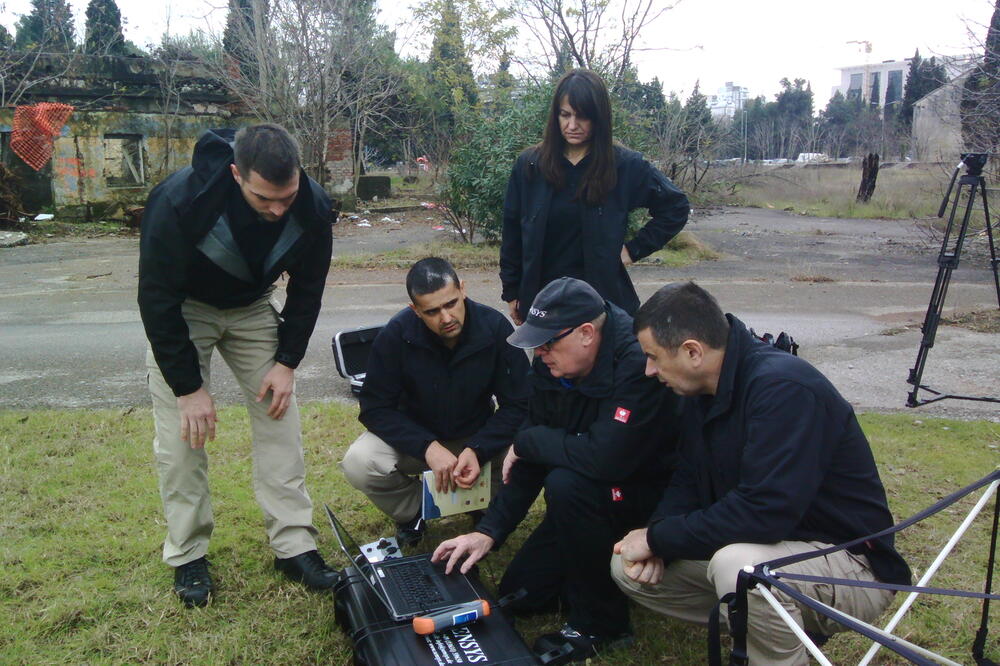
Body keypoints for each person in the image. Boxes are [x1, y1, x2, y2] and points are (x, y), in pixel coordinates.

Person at [612, 282, 911, 665]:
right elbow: (687, 479)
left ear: (692, 351)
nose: (649, 370)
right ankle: (770, 626)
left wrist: (658, 537)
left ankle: (777, 650)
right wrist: (659, 534)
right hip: (767, 550)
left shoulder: (784, 388)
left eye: (653, 357)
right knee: (627, 566)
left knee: (741, 569)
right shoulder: (699, 391)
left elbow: (764, 512)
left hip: (851, 564)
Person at [138, 124, 339, 607]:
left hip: (253, 306)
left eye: (285, 197)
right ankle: (188, 554)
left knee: (280, 422)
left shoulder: (311, 205)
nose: (277, 209)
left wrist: (287, 361)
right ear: (235, 174)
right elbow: (157, 299)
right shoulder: (177, 201)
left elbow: (308, 288)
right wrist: (188, 389)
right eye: (264, 198)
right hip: (186, 307)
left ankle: (294, 545)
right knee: (182, 436)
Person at [432, 277, 679, 665]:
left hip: (650, 495)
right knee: (523, 593)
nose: (541, 352)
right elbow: (534, 448)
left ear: (585, 333)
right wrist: (487, 532)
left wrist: (528, 442)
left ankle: (602, 624)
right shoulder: (553, 361)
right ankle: (592, 567)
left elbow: (606, 458)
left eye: (548, 343)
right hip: (590, 493)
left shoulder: (636, 363)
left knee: (566, 483)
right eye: (537, 343)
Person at [341, 257, 530, 546]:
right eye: (432, 311)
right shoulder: (395, 335)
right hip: (417, 441)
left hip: (477, 435)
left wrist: (478, 448)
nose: (446, 318)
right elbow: (375, 408)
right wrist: (427, 447)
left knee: (530, 450)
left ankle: (485, 509)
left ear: (462, 290)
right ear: (414, 310)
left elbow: (520, 403)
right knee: (360, 462)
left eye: (451, 303)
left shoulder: (494, 327)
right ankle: (414, 513)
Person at [499, 68, 690, 325]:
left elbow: (675, 206)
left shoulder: (624, 165)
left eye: (582, 117)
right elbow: (512, 230)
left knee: (607, 364)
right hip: (545, 302)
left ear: (599, 117)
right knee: (550, 365)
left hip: (603, 303)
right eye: (565, 115)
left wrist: (632, 250)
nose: (572, 125)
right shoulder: (531, 165)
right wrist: (512, 291)